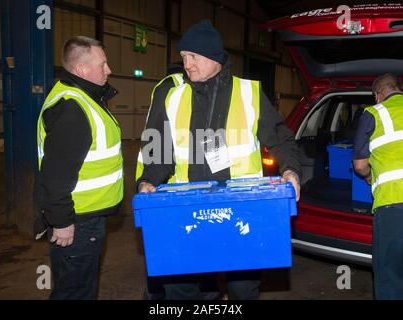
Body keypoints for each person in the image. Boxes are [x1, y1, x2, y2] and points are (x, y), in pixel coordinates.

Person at [135, 20, 301, 300]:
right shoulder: (174, 97)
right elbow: (159, 151)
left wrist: (291, 171)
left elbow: (281, 138)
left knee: (242, 288)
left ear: (213, 57)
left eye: (193, 57)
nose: (186, 64)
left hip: (239, 211)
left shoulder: (249, 93)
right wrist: (148, 181)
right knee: (183, 287)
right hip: (188, 209)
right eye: (184, 57)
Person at [35, 36, 123, 299]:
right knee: (75, 292)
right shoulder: (73, 107)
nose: (109, 70)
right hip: (77, 223)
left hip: (85, 217)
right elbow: (56, 174)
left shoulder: (82, 98)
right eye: (103, 64)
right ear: (82, 69)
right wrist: (61, 222)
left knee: (76, 286)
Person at [353, 73, 403, 300]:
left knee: (389, 277)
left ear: (378, 95)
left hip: (393, 206)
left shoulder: (373, 113)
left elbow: (360, 164)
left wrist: (368, 177)